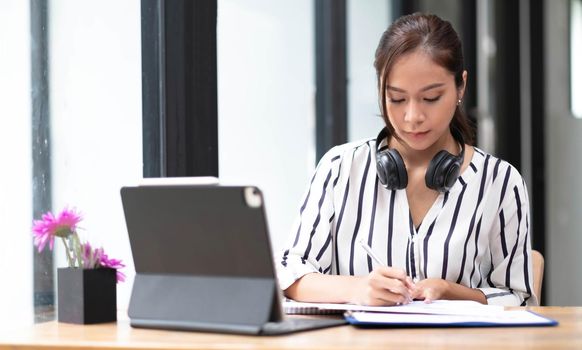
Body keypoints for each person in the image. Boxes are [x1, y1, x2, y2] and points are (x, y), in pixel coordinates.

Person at [277, 13, 536, 307]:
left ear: (460, 86)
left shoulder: (501, 183)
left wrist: (452, 291)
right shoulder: (340, 169)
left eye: (431, 98)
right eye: (397, 99)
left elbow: (519, 298)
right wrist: (357, 289)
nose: (413, 117)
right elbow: (291, 274)